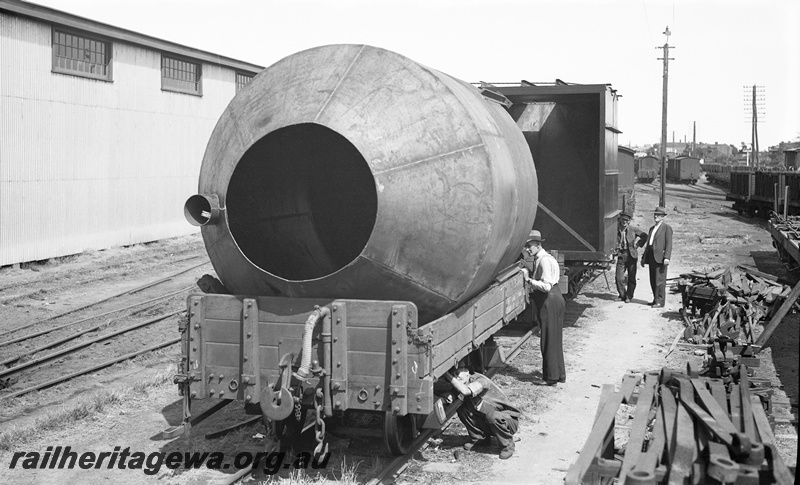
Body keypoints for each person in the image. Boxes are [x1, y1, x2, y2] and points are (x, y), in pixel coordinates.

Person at [521, 230, 566, 385]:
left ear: (538, 245)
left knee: (548, 339)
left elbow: (546, 286)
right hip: (555, 298)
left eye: (530, 246)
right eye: (526, 246)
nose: (527, 249)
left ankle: (551, 377)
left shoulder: (544, 261)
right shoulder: (548, 258)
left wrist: (528, 280)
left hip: (549, 300)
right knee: (555, 338)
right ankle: (559, 374)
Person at [445, 367, 520, 459]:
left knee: (493, 416)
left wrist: (447, 376)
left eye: (457, 373)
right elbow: (451, 395)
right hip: (489, 421)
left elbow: (466, 391)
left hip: (507, 421)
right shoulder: (462, 383)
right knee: (462, 409)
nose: (456, 377)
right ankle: (480, 439)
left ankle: (507, 447)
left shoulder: (481, 380)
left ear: (467, 372)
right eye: (453, 375)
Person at [639, 206, 673, 307]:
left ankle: (660, 301)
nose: (656, 216)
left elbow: (669, 244)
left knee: (660, 281)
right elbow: (648, 245)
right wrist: (643, 258)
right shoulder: (652, 228)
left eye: (658, 215)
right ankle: (655, 299)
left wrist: (667, 257)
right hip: (651, 257)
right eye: (655, 214)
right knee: (653, 280)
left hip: (660, 258)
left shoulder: (666, 228)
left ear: (663, 217)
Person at [615, 211, 646, 303]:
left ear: (629, 221)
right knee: (619, 278)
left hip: (632, 256)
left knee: (631, 277)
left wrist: (637, 244)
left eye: (627, 220)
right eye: (623, 219)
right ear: (620, 220)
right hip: (621, 255)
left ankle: (629, 296)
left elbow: (645, 236)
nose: (624, 222)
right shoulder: (616, 229)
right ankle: (622, 295)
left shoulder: (633, 229)